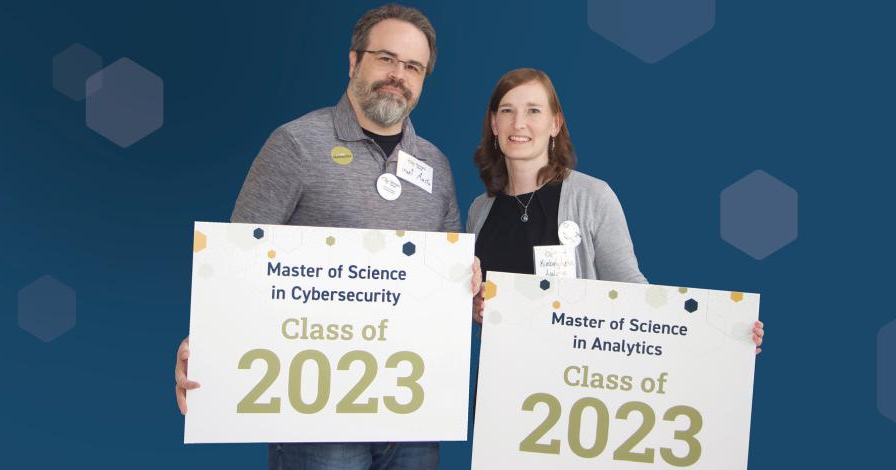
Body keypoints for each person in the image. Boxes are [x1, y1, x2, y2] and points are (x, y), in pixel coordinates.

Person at [174, 4, 480, 469]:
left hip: (411, 410)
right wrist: (203, 341)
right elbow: (238, 259)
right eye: (386, 58)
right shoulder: (296, 144)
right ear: (354, 61)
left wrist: (468, 280)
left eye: (413, 67)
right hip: (315, 415)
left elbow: (444, 277)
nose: (398, 75)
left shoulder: (435, 165)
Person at [466, 68, 764, 352]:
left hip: (573, 384)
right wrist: (477, 309)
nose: (518, 123)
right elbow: (474, 302)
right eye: (507, 110)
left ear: (555, 123)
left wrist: (722, 337)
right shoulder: (479, 212)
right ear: (494, 124)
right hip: (502, 386)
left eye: (533, 110)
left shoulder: (591, 197)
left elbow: (635, 295)